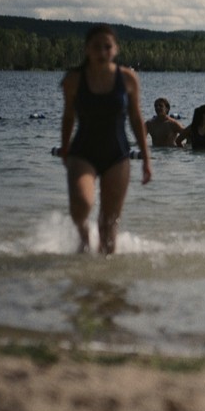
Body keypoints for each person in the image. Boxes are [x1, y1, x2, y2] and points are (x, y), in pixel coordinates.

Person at [59, 25, 152, 255]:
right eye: (96, 47)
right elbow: (68, 116)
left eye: (107, 46)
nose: (102, 51)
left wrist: (146, 159)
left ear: (116, 49)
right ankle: (83, 238)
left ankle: (105, 284)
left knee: (109, 226)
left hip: (117, 155)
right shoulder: (74, 79)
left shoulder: (128, 78)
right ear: (86, 50)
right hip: (83, 153)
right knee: (81, 207)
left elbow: (136, 118)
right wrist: (64, 147)